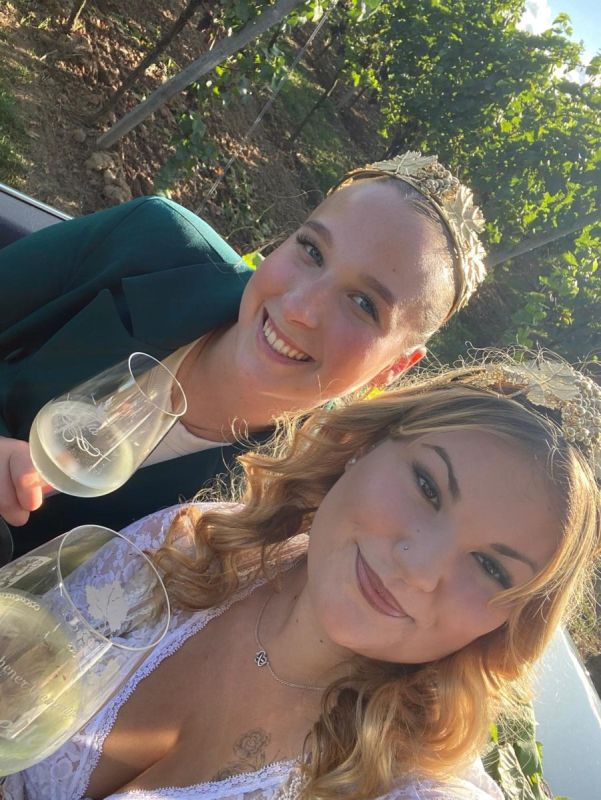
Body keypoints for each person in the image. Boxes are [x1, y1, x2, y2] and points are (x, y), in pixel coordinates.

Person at [4, 352, 599, 800]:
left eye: (491, 567)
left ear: (510, 620)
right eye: (426, 486)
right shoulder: (195, 541)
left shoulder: (409, 785)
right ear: (362, 446)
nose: (419, 568)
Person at [0, 152, 487, 555]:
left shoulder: (295, 508)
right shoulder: (149, 241)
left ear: (395, 368)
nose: (299, 308)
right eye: (312, 251)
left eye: (363, 304)